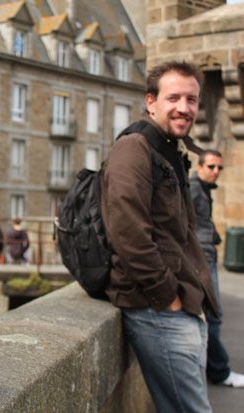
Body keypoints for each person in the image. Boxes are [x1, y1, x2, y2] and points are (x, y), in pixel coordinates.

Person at [101, 61, 219, 413]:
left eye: (192, 99)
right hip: (157, 309)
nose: (185, 107)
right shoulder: (134, 148)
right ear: (151, 101)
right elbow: (128, 229)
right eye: (174, 98)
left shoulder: (168, 148)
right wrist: (166, 296)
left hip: (181, 305)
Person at [190, 150, 244, 388]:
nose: (215, 172)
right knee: (214, 315)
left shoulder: (203, 189)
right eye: (211, 166)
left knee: (210, 316)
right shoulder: (194, 189)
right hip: (202, 260)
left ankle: (213, 368)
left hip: (204, 256)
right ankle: (220, 371)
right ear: (200, 166)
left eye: (219, 168)